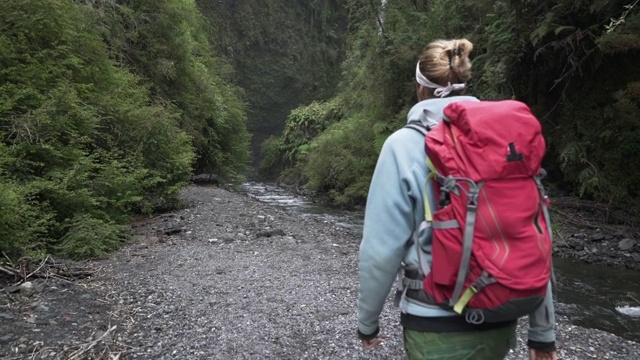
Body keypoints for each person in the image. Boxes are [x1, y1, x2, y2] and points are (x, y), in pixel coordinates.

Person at [356, 38, 558, 360]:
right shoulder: (505, 141)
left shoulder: (402, 145)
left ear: (420, 88)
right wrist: (543, 334)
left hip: (434, 325)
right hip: (501, 316)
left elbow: (381, 251)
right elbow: (532, 232)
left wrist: (367, 323)